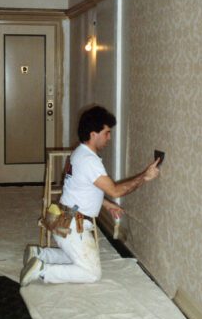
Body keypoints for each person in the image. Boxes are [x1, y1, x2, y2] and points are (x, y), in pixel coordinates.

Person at [20, 105, 160, 286]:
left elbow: (83, 189)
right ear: (94, 134)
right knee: (91, 273)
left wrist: (107, 205)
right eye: (107, 132)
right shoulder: (89, 161)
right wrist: (145, 177)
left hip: (63, 219)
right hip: (73, 225)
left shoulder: (78, 153)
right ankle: (42, 270)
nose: (109, 138)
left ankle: (39, 254)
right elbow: (116, 191)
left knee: (75, 256)